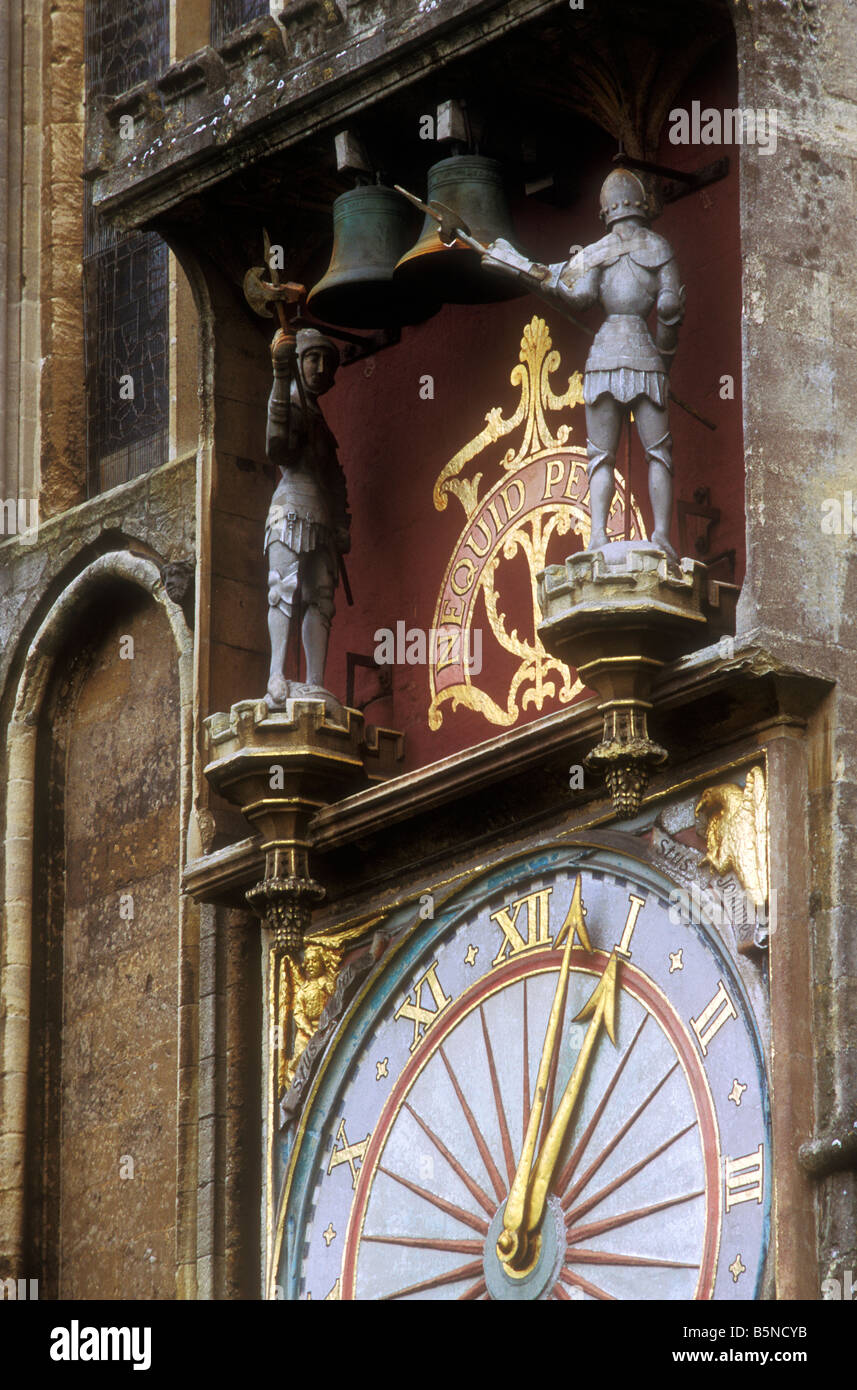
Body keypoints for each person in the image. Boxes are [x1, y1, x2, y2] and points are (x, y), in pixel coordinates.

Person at [482, 168, 685, 560]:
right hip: (645, 356)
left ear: (605, 211)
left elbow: (578, 296)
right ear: (641, 206)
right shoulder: (660, 248)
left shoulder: (597, 252)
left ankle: (597, 537)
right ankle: (661, 534)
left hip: (605, 354)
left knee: (599, 455)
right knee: (658, 452)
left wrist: (528, 274)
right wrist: (665, 362)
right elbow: (670, 310)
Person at [264, 326, 351, 708]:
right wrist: (280, 379)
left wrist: (343, 521)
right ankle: (276, 675)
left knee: (320, 599)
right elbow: (278, 445)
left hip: (322, 518)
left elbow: (335, 479)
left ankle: (315, 679)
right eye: (312, 358)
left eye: (325, 361)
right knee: (283, 590)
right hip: (291, 508)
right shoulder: (292, 402)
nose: (319, 367)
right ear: (298, 362)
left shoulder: (320, 420)